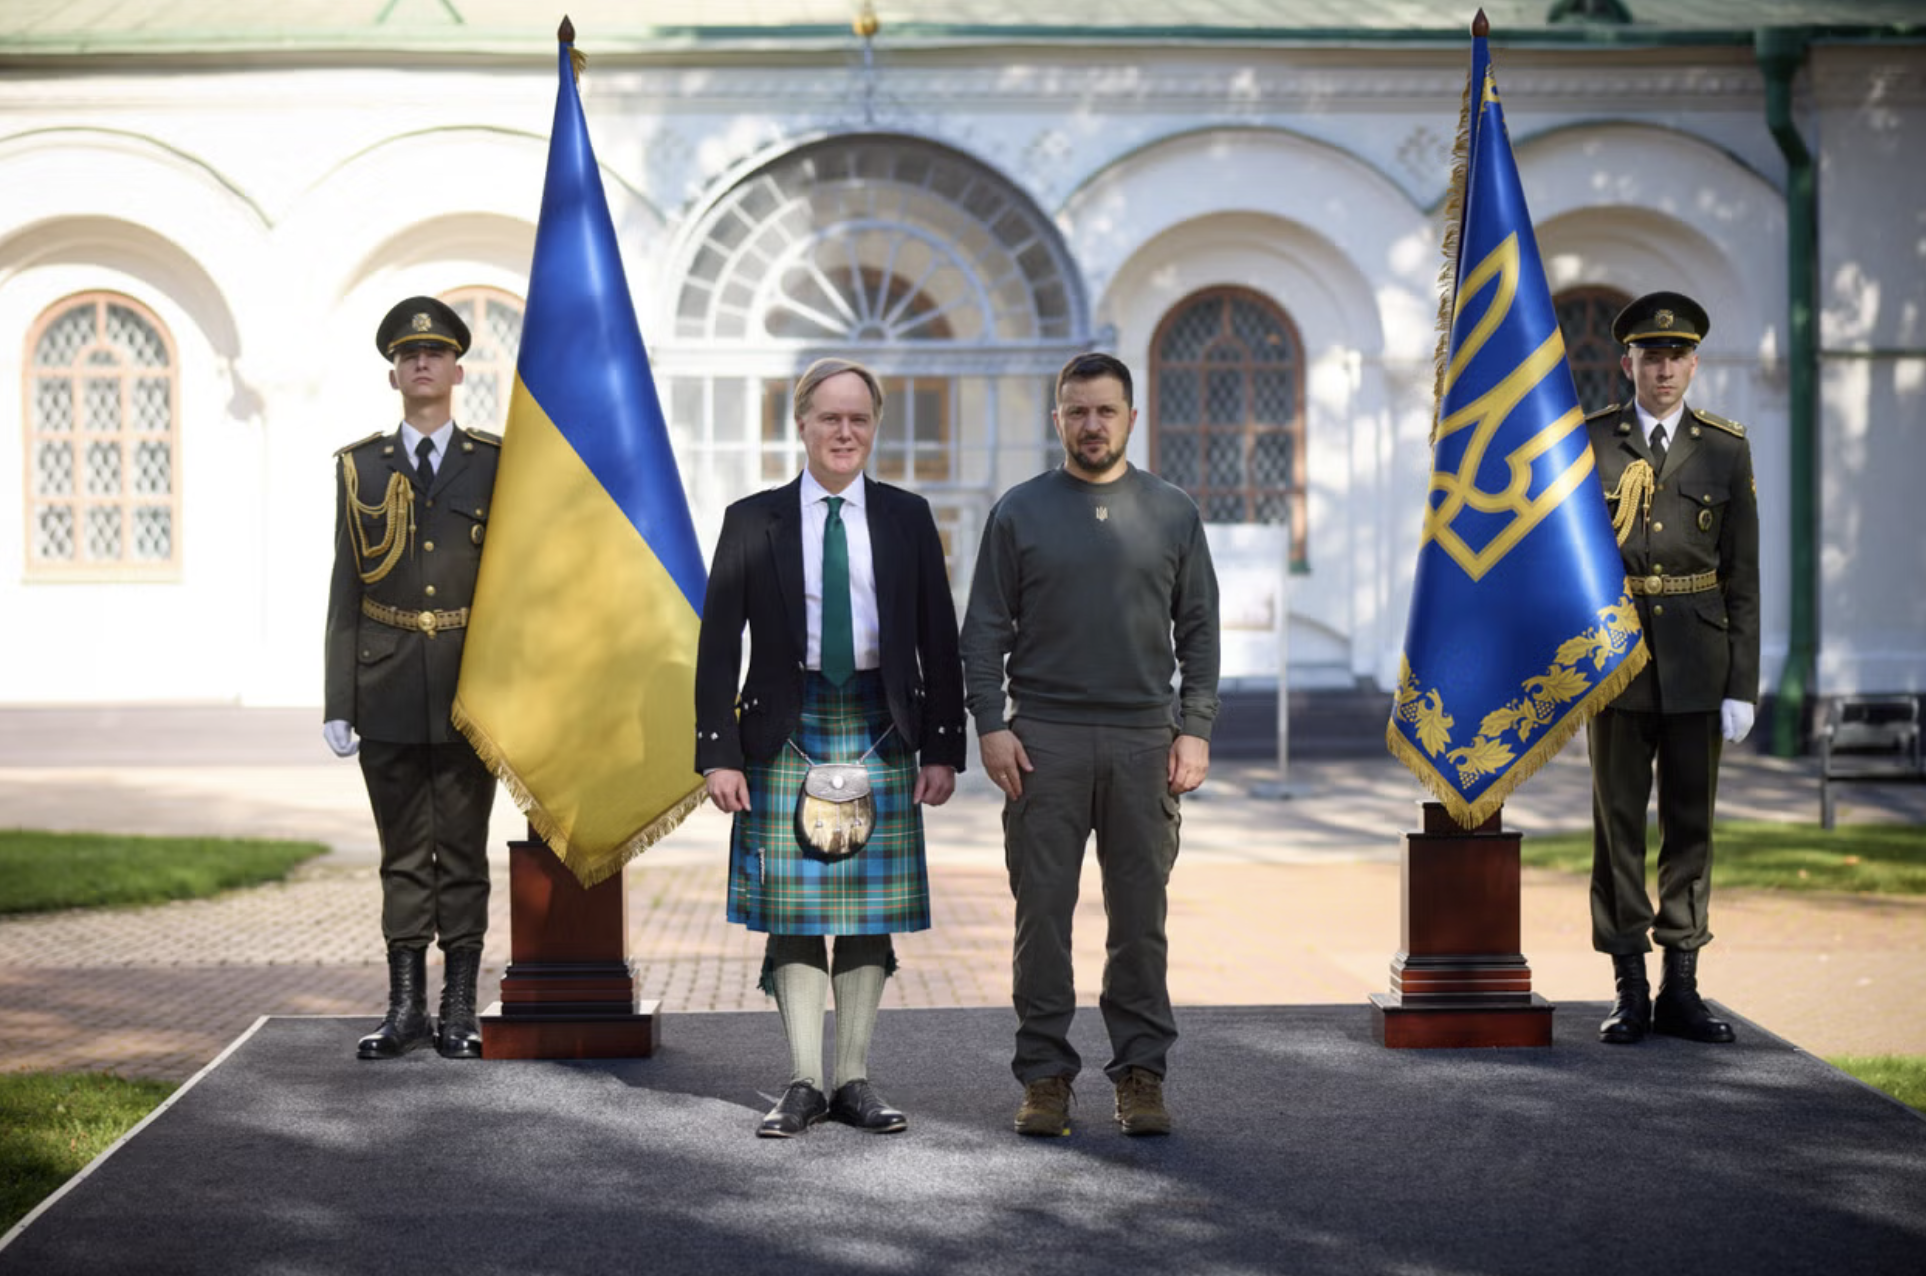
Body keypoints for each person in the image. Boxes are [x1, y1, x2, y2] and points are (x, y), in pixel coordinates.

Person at [695, 357, 966, 1138]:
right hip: (784, 726)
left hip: (882, 722)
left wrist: (944, 745)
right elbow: (717, 645)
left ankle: (854, 1078)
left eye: (858, 419)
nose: (844, 432)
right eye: (829, 418)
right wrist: (718, 751)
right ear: (802, 425)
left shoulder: (909, 516)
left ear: (873, 427)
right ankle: (804, 1082)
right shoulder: (753, 518)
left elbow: (938, 641)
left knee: (865, 911)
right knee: (796, 910)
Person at [960, 351, 1220, 1137]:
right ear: (1058, 419)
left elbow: (1200, 629)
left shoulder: (1172, 511)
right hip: (1045, 741)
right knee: (1042, 916)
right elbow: (983, 631)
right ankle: (1044, 1078)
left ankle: (1141, 1076)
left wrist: (1196, 728)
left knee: (1140, 920)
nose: (1092, 424)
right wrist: (992, 725)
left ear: (1132, 418)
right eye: (1078, 411)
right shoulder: (1019, 511)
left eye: (1106, 410)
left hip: (1147, 739)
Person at [324, 296, 501, 1061]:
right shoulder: (360, 465)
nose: (421, 363)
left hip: (469, 685)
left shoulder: (495, 463)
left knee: (461, 850)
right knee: (401, 852)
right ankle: (405, 1009)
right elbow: (345, 587)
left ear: (458, 371)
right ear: (394, 373)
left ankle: (459, 1008)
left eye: (434, 354)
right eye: (407, 355)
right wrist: (338, 698)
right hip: (387, 682)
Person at [1585, 291, 1760, 1046]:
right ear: (1628, 362)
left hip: (1698, 659)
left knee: (1691, 825)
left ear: (1694, 363)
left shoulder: (1724, 447)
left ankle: (1681, 986)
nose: (1665, 369)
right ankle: (1629, 986)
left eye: (1678, 355)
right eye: (1651, 356)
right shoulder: (1592, 442)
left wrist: (1742, 684)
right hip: (1618, 662)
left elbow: (1742, 575)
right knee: (1618, 825)